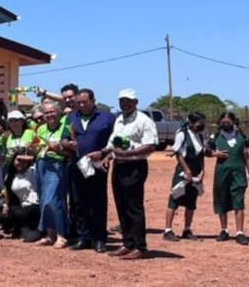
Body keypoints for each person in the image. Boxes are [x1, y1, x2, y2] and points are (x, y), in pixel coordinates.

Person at [102, 88, 157, 260]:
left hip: (135, 166)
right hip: (119, 166)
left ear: (136, 102)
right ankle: (128, 243)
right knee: (121, 204)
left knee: (134, 207)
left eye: (128, 100)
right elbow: (113, 143)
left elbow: (151, 145)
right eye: (122, 100)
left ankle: (140, 247)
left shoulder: (144, 121)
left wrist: (129, 154)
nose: (124, 103)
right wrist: (107, 155)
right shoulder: (119, 120)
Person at [67, 88, 114, 253]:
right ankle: (83, 237)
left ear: (93, 101)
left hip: (98, 166)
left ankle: (99, 239)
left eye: (85, 102)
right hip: (77, 165)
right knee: (79, 203)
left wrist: (106, 155)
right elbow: (64, 138)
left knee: (98, 203)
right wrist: (67, 144)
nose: (82, 105)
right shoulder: (71, 117)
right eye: (79, 102)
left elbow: (116, 140)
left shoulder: (107, 118)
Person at [210, 112, 249, 245]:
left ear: (234, 122)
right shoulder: (216, 136)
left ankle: (239, 232)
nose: (225, 125)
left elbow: (246, 156)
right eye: (223, 122)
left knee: (238, 201)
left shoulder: (242, 137)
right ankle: (224, 230)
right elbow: (206, 151)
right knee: (221, 199)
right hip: (221, 173)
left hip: (238, 172)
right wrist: (215, 154)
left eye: (228, 122)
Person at [163, 112, 207, 242]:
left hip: (196, 175)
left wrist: (202, 171)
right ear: (192, 123)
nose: (202, 126)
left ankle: (187, 229)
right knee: (174, 200)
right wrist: (187, 170)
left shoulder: (199, 136)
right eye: (200, 123)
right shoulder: (182, 134)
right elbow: (178, 154)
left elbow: (201, 155)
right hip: (182, 174)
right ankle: (168, 230)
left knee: (191, 202)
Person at [34, 103, 72, 248]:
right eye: (47, 112)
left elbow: (68, 151)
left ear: (59, 113)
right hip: (41, 164)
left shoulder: (65, 127)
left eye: (53, 111)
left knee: (54, 200)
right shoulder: (41, 128)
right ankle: (50, 234)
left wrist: (56, 148)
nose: (50, 115)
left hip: (57, 165)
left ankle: (62, 235)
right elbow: (36, 146)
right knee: (44, 200)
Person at [4, 153, 41, 242]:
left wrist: (29, 157)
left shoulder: (33, 171)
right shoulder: (10, 176)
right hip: (22, 205)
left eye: (23, 161)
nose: (20, 163)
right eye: (18, 160)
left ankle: (38, 230)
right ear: (13, 161)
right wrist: (6, 205)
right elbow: (7, 191)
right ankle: (25, 230)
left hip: (36, 204)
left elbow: (39, 159)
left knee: (22, 214)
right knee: (4, 216)